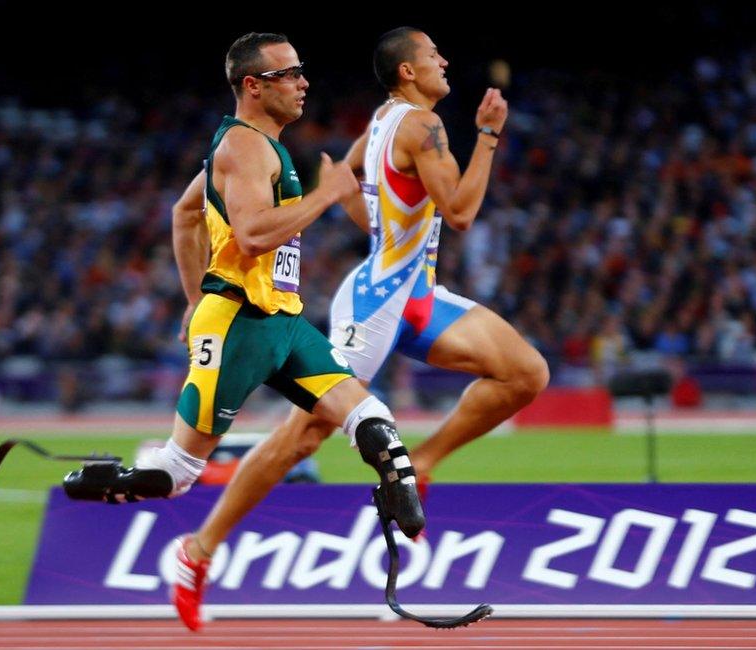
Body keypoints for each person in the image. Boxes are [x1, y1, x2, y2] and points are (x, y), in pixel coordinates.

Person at [167, 26, 549, 629]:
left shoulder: (382, 121)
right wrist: (489, 136)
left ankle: (420, 463)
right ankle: (199, 550)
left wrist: (377, 227)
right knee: (303, 437)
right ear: (406, 71)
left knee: (525, 373)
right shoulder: (424, 126)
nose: (445, 61)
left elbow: (343, 178)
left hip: (415, 294)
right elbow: (463, 212)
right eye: (432, 56)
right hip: (373, 304)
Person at [61, 31, 425, 630]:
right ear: (253, 86)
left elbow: (185, 214)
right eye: (291, 73)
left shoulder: (252, 149)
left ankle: (402, 517)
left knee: (375, 425)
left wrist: (190, 297)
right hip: (239, 327)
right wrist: (328, 194)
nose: (305, 82)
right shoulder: (243, 148)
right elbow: (255, 235)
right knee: (174, 475)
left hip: (282, 322)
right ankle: (95, 487)